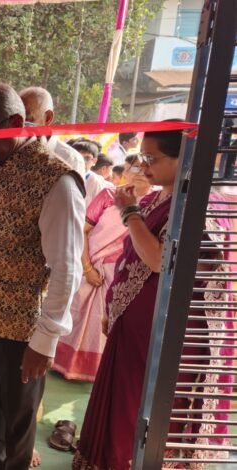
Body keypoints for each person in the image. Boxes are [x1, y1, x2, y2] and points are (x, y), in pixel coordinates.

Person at [74, 122, 231, 468]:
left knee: (145, 405)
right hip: (137, 323)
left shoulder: (198, 206)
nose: (143, 166)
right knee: (126, 398)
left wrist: (129, 213)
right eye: (142, 156)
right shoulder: (160, 197)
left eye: (152, 159)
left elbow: (159, 260)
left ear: (184, 158)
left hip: (165, 332)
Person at [0, 83, 85, 469]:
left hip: (22, 331)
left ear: (15, 122)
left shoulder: (56, 180)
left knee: (18, 423)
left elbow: (67, 267)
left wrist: (45, 340)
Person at [52, 155, 150, 383]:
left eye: (144, 167)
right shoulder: (109, 195)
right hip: (92, 268)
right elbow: (83, 231)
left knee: (115, 323)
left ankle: (102, 370)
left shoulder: (156, 202)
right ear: (125, 171)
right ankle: (66, 364)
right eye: (133, 168)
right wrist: (87, 268)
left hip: (128, 275)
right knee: (79, 315)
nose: (139, 173)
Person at [20, 87, 86, 176]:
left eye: (27, 120)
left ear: (48, 118)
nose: (20, 126)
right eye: (16, 119)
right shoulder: (11, 150)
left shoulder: (71, 159)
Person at [70, 138, 113, 207]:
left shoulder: (96, 182)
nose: (82, 161)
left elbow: (98, 208)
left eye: (87, 158)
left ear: (94, 161)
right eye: (78, 157)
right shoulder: (66, 176)